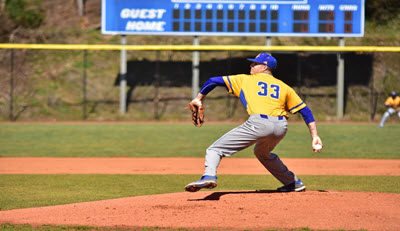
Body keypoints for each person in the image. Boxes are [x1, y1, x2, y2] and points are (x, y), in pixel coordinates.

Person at [184, 53, 323, 193]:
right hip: (281, 127)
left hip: (259, 124)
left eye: (254, 64)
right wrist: (315, 136)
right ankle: (293, 183)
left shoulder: (245, 80)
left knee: (215, 150)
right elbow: (305, 111)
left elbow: (213, 80)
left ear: (264, 67)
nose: (251, 65)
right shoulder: (284, 87)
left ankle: (209, 176)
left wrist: (198, 98)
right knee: (263, 153)